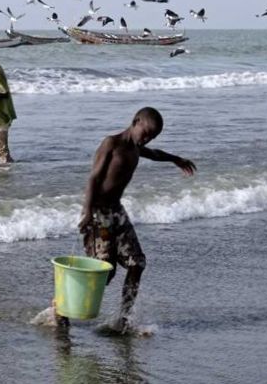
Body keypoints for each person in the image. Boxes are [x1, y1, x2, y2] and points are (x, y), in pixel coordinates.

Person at [58, 107, 196, 331]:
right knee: (104, 270)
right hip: (98, 214)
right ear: (135, 121)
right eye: (146, 133)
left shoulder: (136, 148)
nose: (147, 138)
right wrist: (86, 211)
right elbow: (94, 178)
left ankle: (124, 317)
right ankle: (60, 308)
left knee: (137, 263)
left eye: (152, 136)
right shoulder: (111, 144)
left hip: (117, 212)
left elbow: (156, 153)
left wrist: (176, 160)